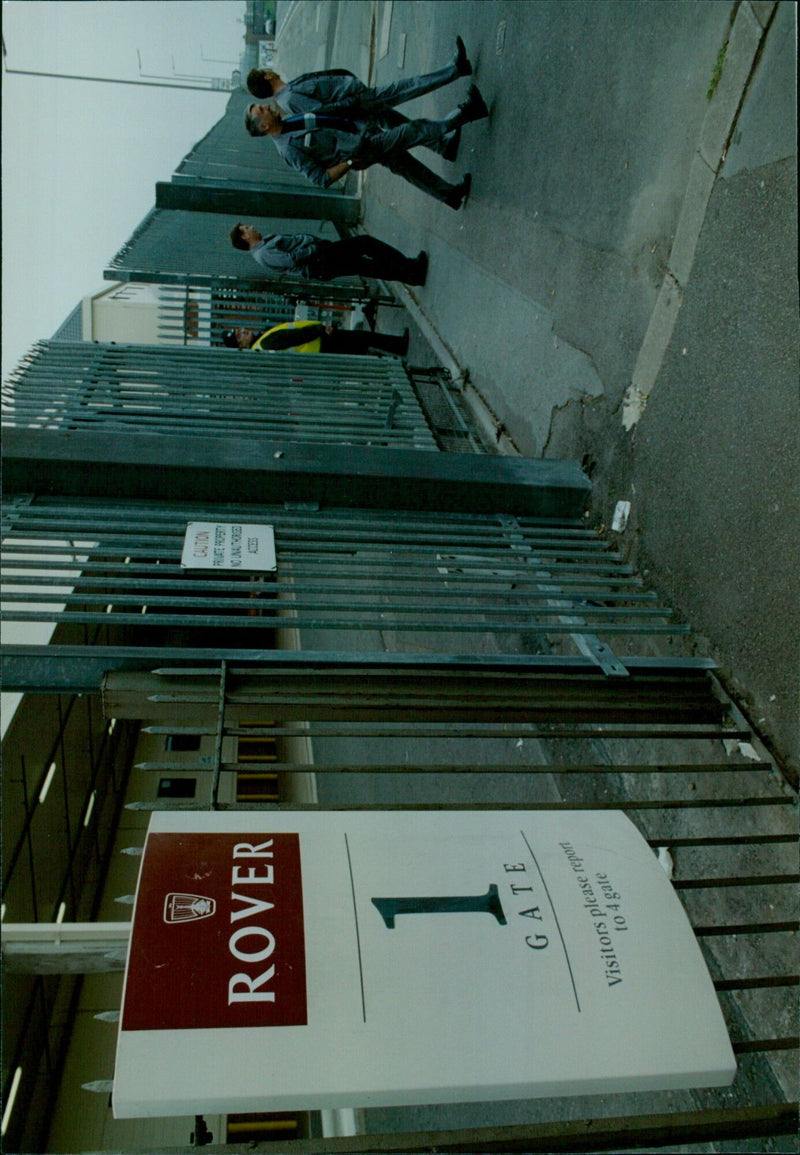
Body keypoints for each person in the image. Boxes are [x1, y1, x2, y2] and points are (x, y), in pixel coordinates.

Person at [244, 85, 488, 210]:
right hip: (363, 149)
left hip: (361, 133)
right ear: (264, 127)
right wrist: (350, 162)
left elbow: (327, 120)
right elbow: (319, 178)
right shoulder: (288, 149)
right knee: (413, 130)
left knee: (405, 165)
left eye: (262, 105)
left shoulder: (289, 122)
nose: (266, 107)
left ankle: (450, 195)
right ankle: (468, 111)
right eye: (261, 111)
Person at [246, 37, 471, 116]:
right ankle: (455, 69)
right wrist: (354, 100)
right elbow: (326, 111)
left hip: (357, 99)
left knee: (395, 120)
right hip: (359, 101)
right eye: (265, 70)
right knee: (406, 87)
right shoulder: (291, 97)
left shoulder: (288, 93)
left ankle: (442, 145)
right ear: (266, 77)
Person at [230, 223, 429, 285]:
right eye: (247, 228)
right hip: (319, 261)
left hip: (320, 259)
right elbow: (291, 259)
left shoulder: (263, 247)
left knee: (365, 264)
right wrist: (315, 248)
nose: (252, 227)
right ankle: (409, 268)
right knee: (365, 246)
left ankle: (409, 273)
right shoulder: (263, 254)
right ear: (245, 237)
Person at [222, 322, 410, 357]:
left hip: (320, 348)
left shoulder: (262, 344)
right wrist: (319, 329)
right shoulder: (265, 343)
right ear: (241, 345)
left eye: (240, 330)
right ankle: (399, 345)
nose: (244, 331)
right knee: (364, 338)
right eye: (240, 336)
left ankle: (395, 350)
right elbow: (295, 336)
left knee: (362, 346)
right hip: (322, 341)